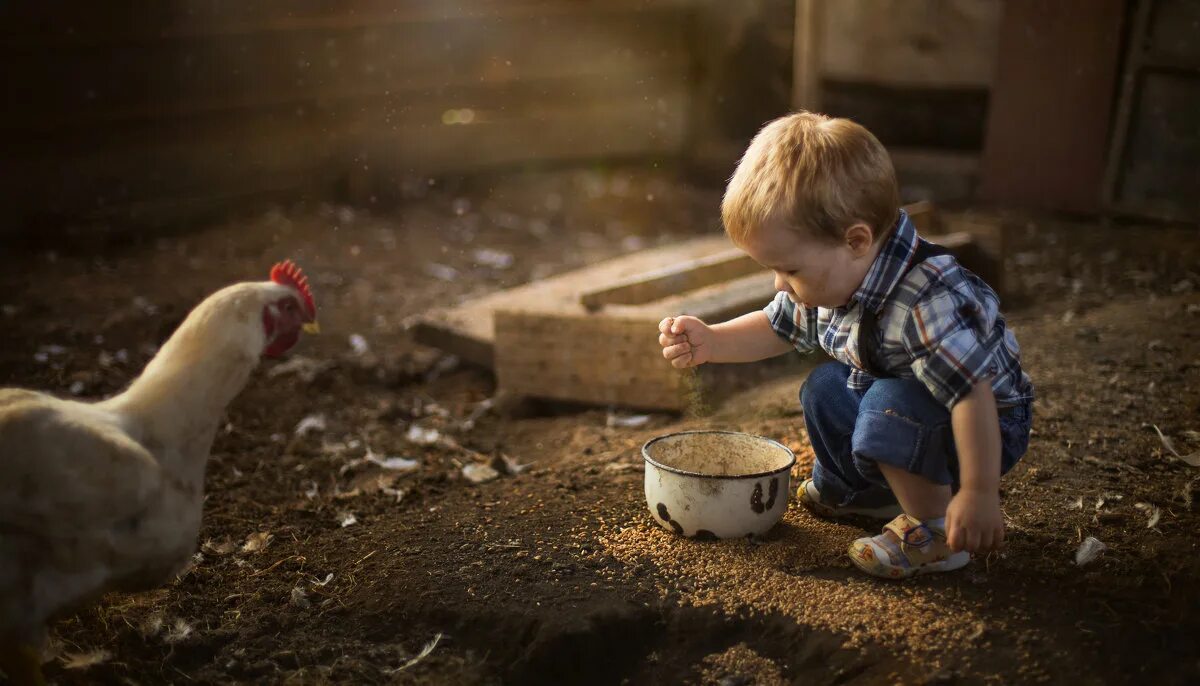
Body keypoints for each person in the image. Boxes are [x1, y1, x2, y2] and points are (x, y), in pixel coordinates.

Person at [657, 111, 1034, 579]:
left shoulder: (925, 303)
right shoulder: (836, 273)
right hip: (911, 404)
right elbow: (777, 327)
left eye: (790, 269)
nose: (780, 284)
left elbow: (971, 394)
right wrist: (712, 341)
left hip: (983, 427)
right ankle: (863, 495)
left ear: (856, 240)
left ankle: (933, 531)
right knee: (826, 387)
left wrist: (978, 492)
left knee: (885, 401)